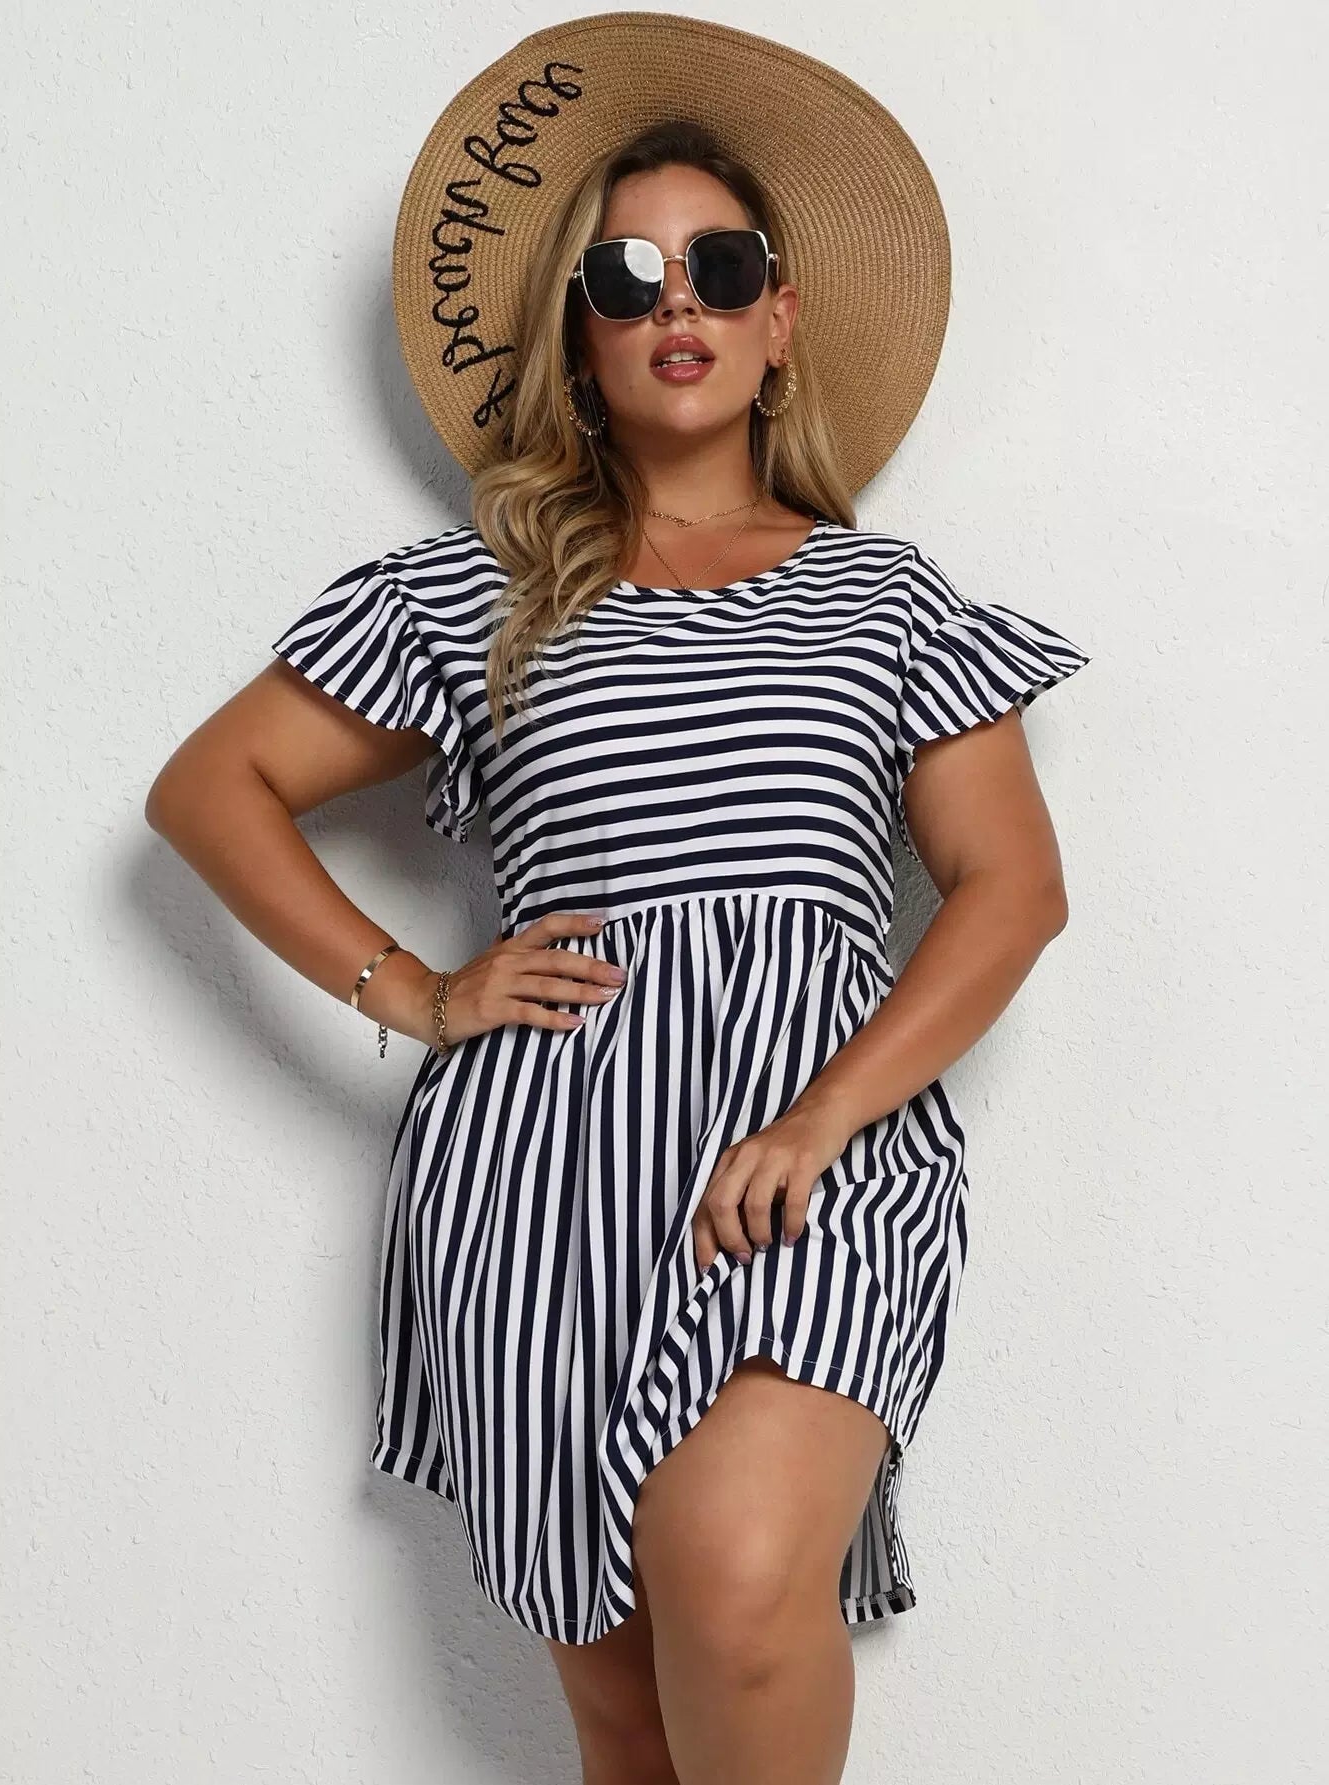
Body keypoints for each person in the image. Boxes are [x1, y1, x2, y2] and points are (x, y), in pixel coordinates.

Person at [146, 17, 1091, 1785]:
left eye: (720, 269)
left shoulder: (886, 596)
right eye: (627, 275)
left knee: (735, 1585)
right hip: (536, 1169)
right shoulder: (480, 588)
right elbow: (209, 789)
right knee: (627, 1708)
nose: (680, 305)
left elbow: (1012, 891)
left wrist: (823, 1118)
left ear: (779, 316)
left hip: (811, 1144)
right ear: (581, 333)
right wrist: (418, 990)